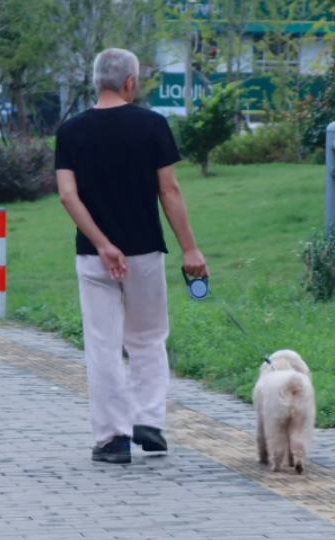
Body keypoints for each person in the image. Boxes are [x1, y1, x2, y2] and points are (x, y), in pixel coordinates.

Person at [54, 48, 209, 464]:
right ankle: (149, 424)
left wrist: (103, 244)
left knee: (103, 347)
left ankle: (112, 440)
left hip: (93, 257)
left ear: (96, 81)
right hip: (144, 253)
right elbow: (169, 191)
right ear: (129, 83)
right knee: (147, 340)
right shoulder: (152, 125)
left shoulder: (70, 131)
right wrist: (190, 248)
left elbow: (68, 195)